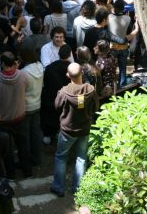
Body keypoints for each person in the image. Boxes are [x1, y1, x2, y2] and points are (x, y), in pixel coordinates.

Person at [50, 62, 98, 197]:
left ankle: (59, 187)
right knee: (81, 158)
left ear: (67, 75)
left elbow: (57, 106)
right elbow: (96, 107)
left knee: (61, 157)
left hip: (67, 131)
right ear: (82, 73)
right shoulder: (91, 90)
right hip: (84, 130)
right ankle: (78, 188)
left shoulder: (64, 91)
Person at [0, 51, 32, 178]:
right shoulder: (23, 76)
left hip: (3, 121)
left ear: (2, 63)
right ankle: (27, 171)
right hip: (20, 116)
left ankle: (11, 174)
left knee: (7, 149)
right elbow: (27, 87)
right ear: (14, 63)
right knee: (23, 145)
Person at [40, 44, 72, 145]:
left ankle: (48, 135)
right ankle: (60, 133)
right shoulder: (72, 69)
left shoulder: (49, 68)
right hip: (66, 100)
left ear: (58, 54)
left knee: (49, 117)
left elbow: (45, 84)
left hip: (50, 99)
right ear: (70, 54)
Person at [19, 47, 44, 169]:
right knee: (35, 133)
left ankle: (26, 161)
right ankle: (37, 158)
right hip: (37, 104)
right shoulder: (40, 66)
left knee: (25, 136)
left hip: (26, 107)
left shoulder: (23, 73)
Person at [108, 0, 131, 88]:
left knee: (112, 68)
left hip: (112, 46)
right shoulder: (128, 18)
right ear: (123, 8)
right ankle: (122, 85)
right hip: (124, 46)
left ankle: (112, 86)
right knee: (123, 68)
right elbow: (129, 32)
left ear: (114, 8)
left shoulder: (109, 17)